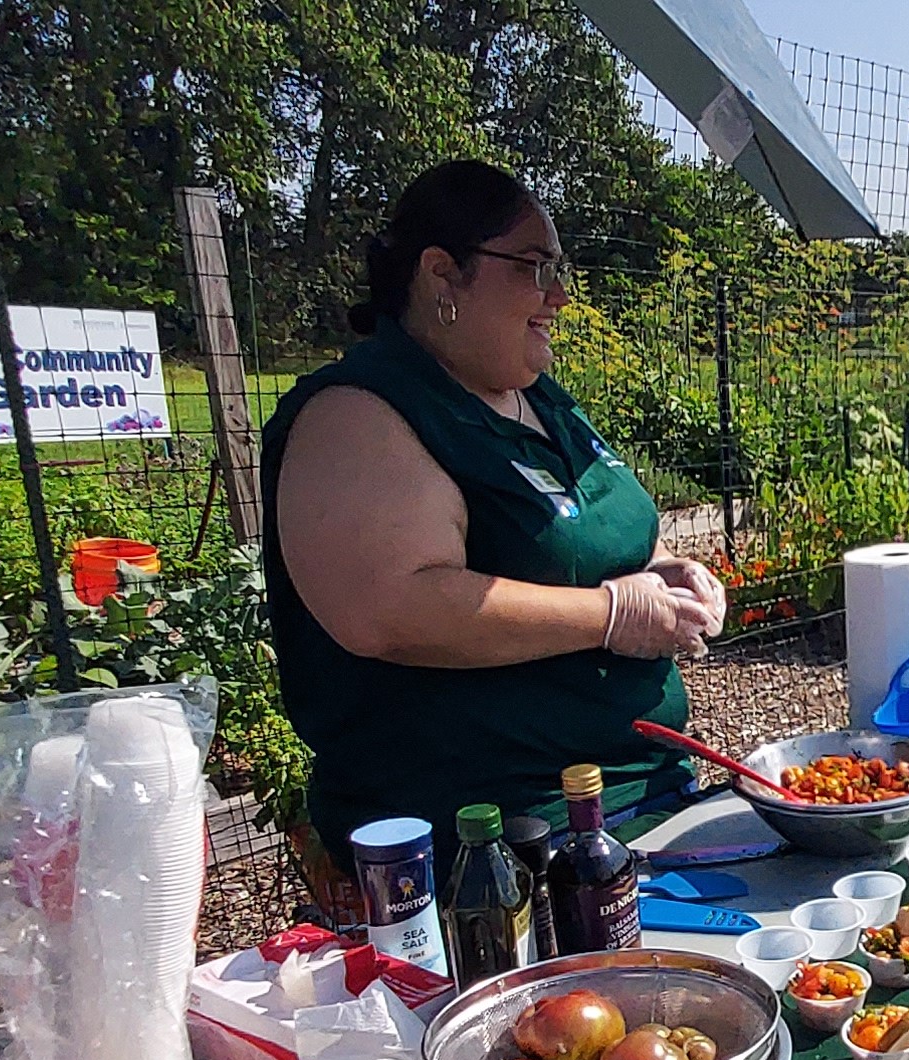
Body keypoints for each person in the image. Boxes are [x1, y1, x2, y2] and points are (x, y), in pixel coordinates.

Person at [261, 159, 727, 869]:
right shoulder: (358, 414)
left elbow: (587, 538)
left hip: (639, 798)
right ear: (443, 275)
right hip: (494, 845)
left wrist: (663, 574)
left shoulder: (539, 398)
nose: (560, 295)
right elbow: (391, 608)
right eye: (534, 266)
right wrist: (612, 615)